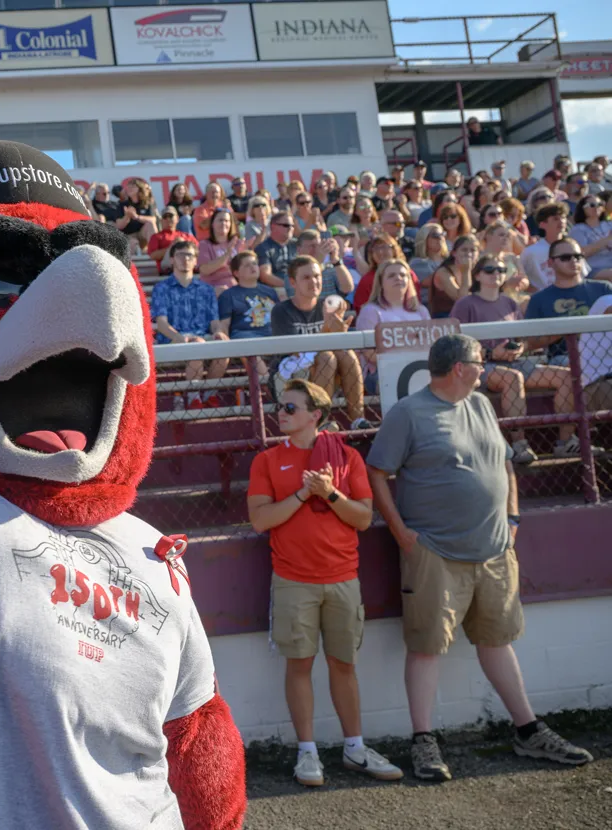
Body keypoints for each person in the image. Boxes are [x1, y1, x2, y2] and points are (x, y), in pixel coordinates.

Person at [366, 334, 594, 782]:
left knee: (497, 640)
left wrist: (512, 518)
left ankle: (527, 730)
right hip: (434, 551)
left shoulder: (482, 406)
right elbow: (377, 471)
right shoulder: (409, 413)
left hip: (493, 549)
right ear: (459, 368)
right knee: (427, 646)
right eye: (479, 361)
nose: (485, 367)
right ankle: (423, 741)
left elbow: (505, 463)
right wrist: (401, 532)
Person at [247, 379, 396, 787]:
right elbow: (260, 520)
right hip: (293, 581)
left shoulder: (347, 458)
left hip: (343, 578)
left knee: (344, 665)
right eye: (281, 406)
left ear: (316, 415)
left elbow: (364, 518)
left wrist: (329, 492)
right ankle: (308, 753)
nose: (282, 413)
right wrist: (300, 494)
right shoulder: (266, 461)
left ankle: (354, 748)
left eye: (291, 408)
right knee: (300, 665)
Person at [451, 256, 577, 462]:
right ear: (477, 275)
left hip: (514, 362)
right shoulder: (465, 304)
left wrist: (520, 348)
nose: (496, 274)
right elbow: (457, 344)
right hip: (481, 366)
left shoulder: (510, 302)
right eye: (490, 270)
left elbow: (522, 339)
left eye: (501, 270)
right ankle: (519, 445)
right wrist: (491, 354)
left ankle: (566, 442)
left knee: (565, 376)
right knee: (513, 378)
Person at [271, 256, 372, 430]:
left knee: (346, 354)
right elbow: (296, 353)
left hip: (323, 370)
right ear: (293, 283)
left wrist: (340, 334)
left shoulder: (326, 307)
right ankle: (319, 423)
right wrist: (328, 332)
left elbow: (334, 346)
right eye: (306, 277)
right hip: (289, 376)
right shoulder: (281, 310)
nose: (314, 281)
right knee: (326, 357)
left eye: (317, 276)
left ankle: (358, 420)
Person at [149, 240, 229, 411]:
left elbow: (214, 322)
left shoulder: (206, 290)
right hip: (173, 340)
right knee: (196, 344)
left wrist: (218, 332)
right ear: (172, 260)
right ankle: (193, 396)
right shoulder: (162, 288)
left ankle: (210, 393)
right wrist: (179, 337)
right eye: (180, 255)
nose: (185, 259)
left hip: (201, 338)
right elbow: (162, 324)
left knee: (224, 345)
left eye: (190, 255)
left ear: (196, 261)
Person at [524, 238, 612, 378]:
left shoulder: (603, 288)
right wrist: (566, 329)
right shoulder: (538, 299)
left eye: (578, 256)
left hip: (605, 353)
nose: (573, 261)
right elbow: (530, 342)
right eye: (565, 257)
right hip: (564, 357)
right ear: (550, 263)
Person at [256, 211, 299, 299]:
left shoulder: (297, 244)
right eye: (286, 225)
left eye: (292, 226)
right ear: (273, 226)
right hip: (277, 289)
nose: (290, 228)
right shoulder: (263, 248)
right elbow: (265, 276)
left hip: (298, 284)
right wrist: (290, 285)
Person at [569, 194, 612, 280]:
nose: (596, 207)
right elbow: (582, 253)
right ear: (583, 208)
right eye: (592, 205)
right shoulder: (578, 229)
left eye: (600, 204)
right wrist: (607, 239)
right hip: (591, 269)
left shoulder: (609, 225)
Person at [148, 208, 194, 276]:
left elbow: (198, 251)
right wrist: (172, 246)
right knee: (180, 242)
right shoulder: (156, 237)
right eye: (165, 217)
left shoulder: (187, 236)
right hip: (168, 269)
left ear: (177, 218)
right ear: (161, 220)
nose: (168, 219)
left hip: (188, 268)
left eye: (170, 216)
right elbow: (153, 255)